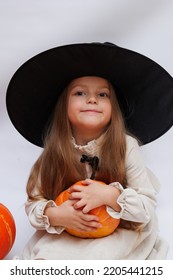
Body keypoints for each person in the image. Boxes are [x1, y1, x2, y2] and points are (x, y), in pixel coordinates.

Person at [6, 42, 173, 259]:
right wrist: (56, 215)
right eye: (80, 93)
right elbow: (34, 201)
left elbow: (146, 208)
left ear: (114, 108)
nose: (92, 99)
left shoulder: (126, 146)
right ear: (63, 105)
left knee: (103, 259)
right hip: (70, 230)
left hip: (119, 230)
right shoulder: (55, 150)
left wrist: (109, 195)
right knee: (47, 258)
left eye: (103, 95)